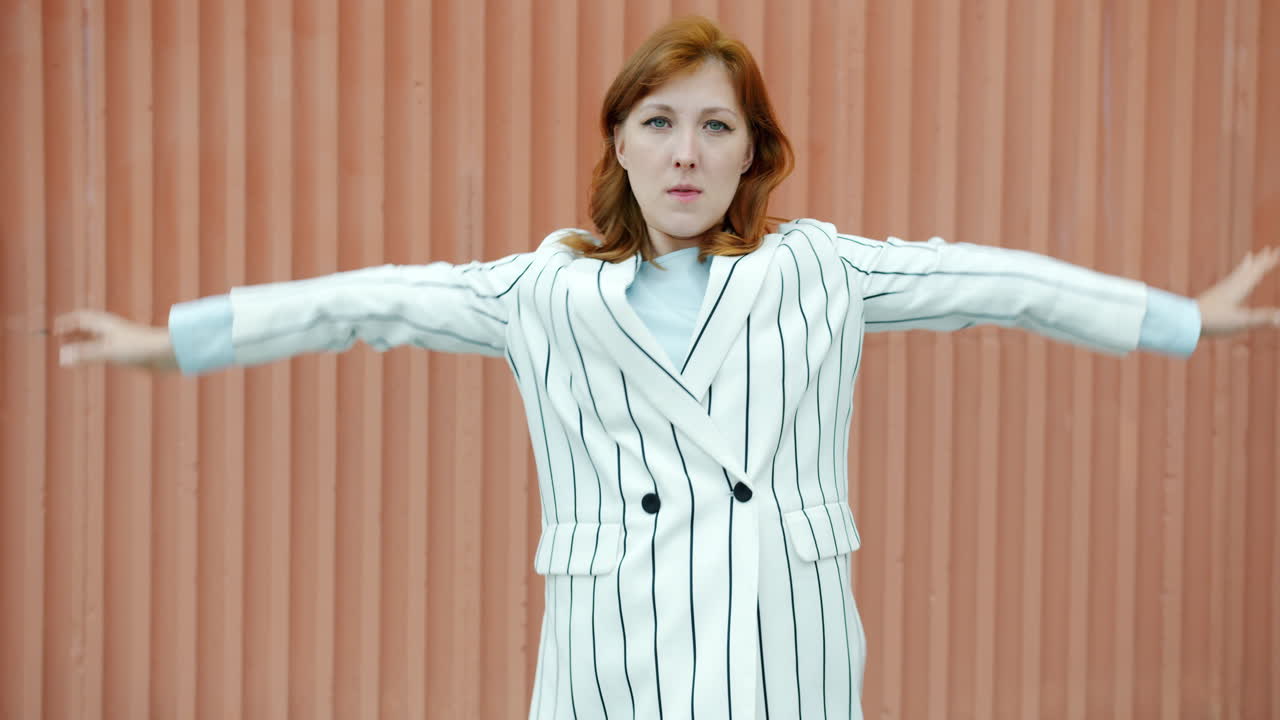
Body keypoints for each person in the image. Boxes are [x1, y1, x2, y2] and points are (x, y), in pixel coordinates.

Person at [56, 15, 1278, 720]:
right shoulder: (539, 290)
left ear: (752, 153)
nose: (684, 151)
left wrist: (1176, 318)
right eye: (658, 121)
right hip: (608, 641)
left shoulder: (820, 271)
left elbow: (1000, 281)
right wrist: (182, 338)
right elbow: (362, 306)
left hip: (779, 635)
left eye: (714, 125)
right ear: (620, 143)